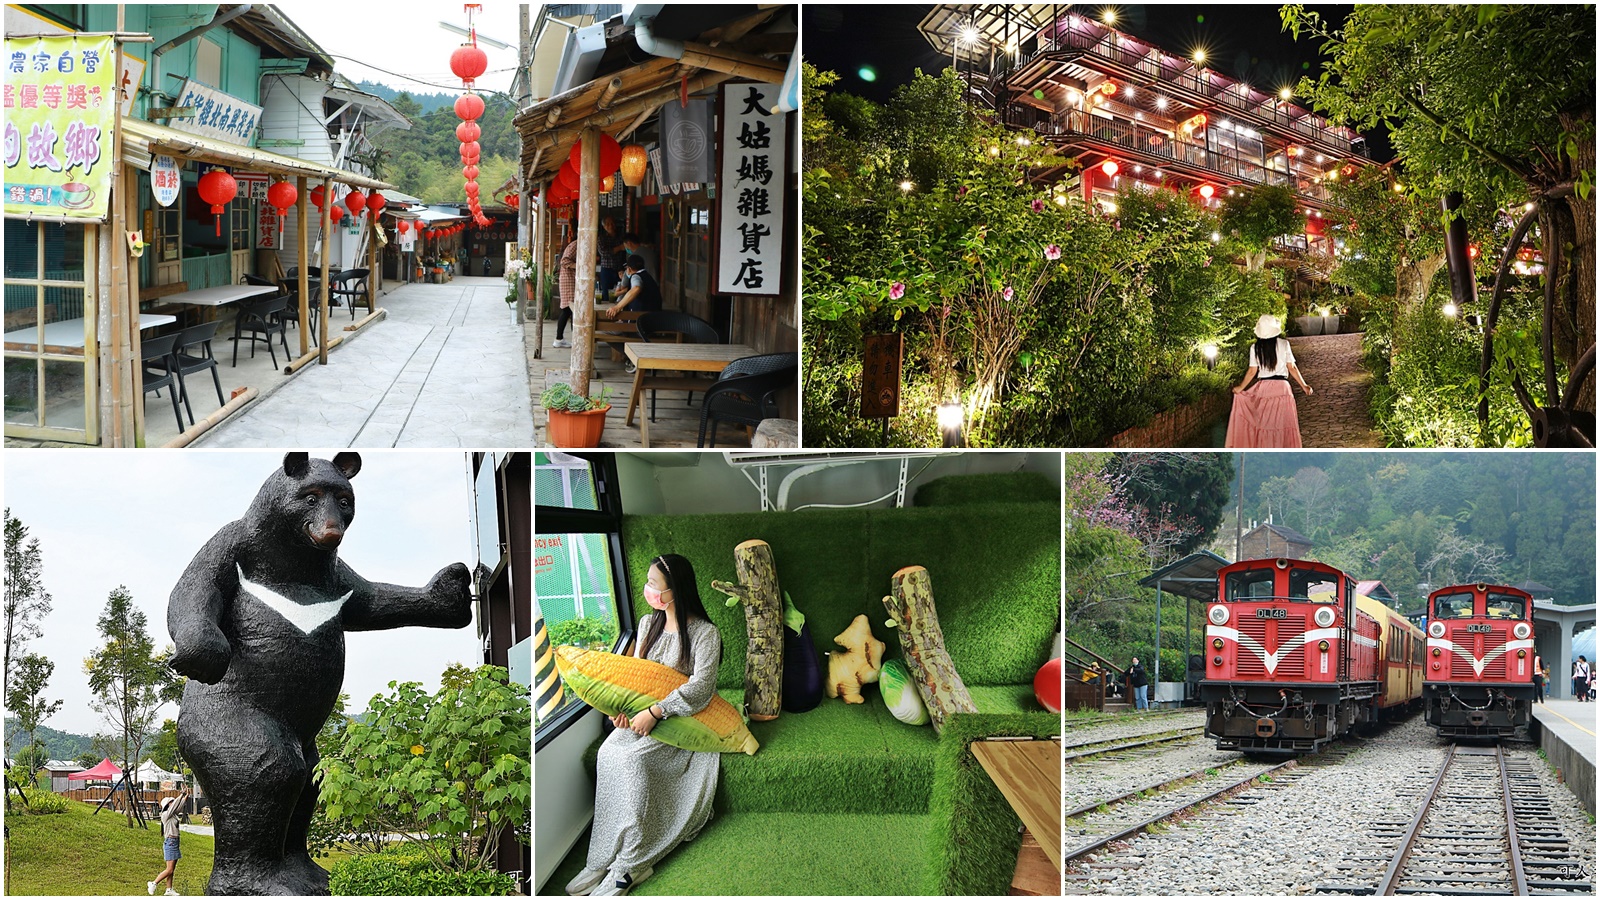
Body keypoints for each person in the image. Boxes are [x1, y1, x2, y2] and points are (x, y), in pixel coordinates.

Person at [568, 554, 722, 897]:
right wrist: (619, 712)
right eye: (649, 582)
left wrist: (656, 712)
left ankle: (632, 864)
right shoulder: (646, 625)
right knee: (609, 753)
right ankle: (602, 856)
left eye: (655, 584)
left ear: (675, 591)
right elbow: (631, 677)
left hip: (681, 721)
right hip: (641, 718)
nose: (648, 589)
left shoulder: (705, 634)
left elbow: (701, 687)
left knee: (632, 761)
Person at [1225, 314, 1314, 448]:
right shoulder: (1284, 344)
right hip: (1283, 388)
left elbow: (1252, 371)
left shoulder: (1255, 348)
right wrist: (1304, 385)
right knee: (1283, 425)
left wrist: (1241, 388)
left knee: (1265, 425)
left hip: (1264, 388)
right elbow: (1292, 367)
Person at [148, 787, 192, 896]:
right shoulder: (166, 814)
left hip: (174, 842)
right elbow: (177, 804)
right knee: (169, 869)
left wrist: (186, 796)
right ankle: (154, 883)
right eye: (171, 802)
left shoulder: (173, 814)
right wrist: (181, 794)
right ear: (168, 805)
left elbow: (179, 805)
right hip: (171, 842)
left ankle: (169, 889)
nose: (174, 803)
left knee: (172, 869)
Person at [603, 255, 663, 321]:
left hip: (642, 322)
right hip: (654, 318)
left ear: (629, 269)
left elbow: (636, 288)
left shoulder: (636, 277)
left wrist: (617, 307)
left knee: (608, 328)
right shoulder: (647, 276)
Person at [553, 236, 578, 349]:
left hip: (571, 279)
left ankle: (563, 338)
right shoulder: (575, 245)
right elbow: (564, 261)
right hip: (568, 280)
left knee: (569, 310)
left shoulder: (576, 244)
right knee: (568, 309)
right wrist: (579, 266)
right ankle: (559, 339)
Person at [598, 216, 626, 298]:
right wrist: (620, 248)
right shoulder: (601, 238)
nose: (610, 226)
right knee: (606, 294)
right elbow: (604, 253)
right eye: (607, 224)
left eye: (612, 223)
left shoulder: (621, 237)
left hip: (620, 269)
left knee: (620, 293)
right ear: (604, 226)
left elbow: (626, 251)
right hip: (606, 270)